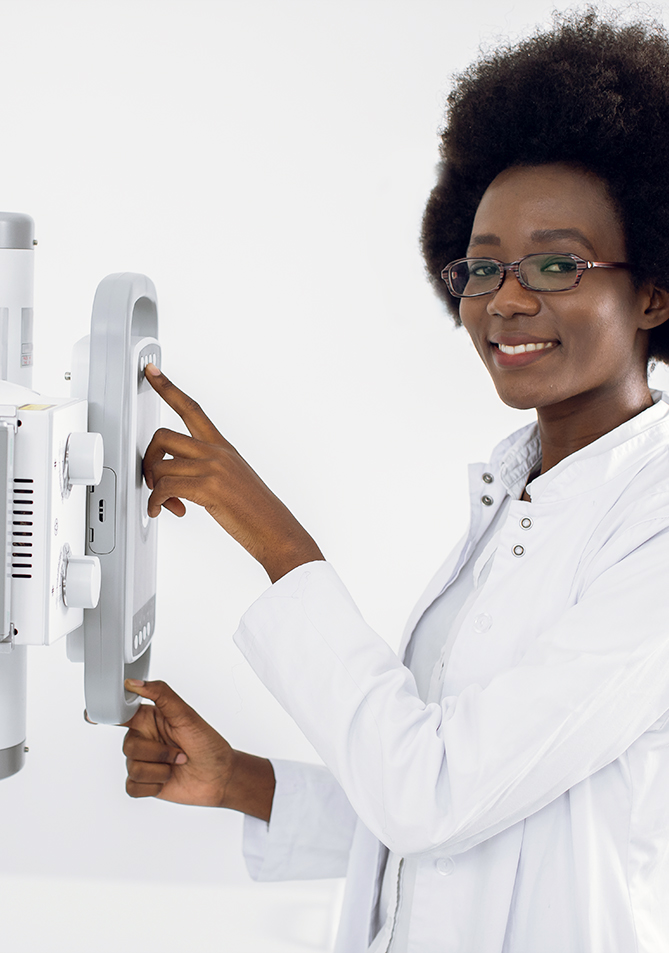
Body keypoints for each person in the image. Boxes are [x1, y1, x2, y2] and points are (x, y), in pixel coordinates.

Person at [122, 9, 669, 952]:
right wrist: (239, 781)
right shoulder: (519, 494)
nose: (504, 298)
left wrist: (270, 533)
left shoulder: (653, 523)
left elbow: (437, 799)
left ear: (654, 290)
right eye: (482, 266)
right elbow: (477, 830)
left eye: (555, 263)